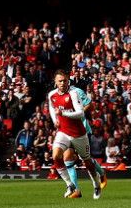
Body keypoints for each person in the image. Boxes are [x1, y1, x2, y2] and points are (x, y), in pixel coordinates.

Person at [45, 70, 106, 199]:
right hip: (63, 131)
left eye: (65, 80)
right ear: (55, 82)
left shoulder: (74, 93)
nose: (62, 83)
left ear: (68, 81)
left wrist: (63, 114)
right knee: (57, 156)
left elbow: (81, 113)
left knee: (87, 161)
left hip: (78, 133)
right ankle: (71, 185)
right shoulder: (52, 95)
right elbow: (52, 107)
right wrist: (54, 119)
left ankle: (96, 184)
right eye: (60, 81)